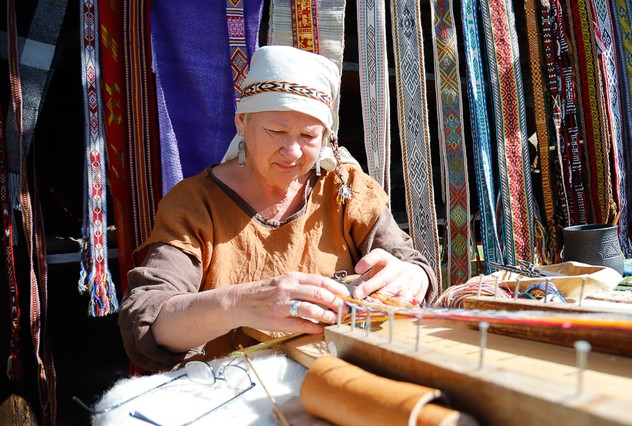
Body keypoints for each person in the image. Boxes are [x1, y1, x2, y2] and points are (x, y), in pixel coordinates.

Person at [119, 46, 436, 372]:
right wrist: (239, 304)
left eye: (309, 135)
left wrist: (410, 277)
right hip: (224, 391)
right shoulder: (195, 204)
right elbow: (145, 323)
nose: (293, 151)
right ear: (242, 122)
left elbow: (415, 266)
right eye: (277, 131)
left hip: (334, 377)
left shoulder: (345, 188)